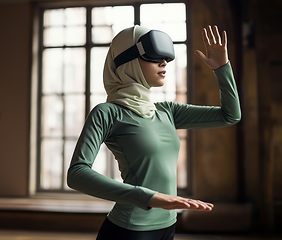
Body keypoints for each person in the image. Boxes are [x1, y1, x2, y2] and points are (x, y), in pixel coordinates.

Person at [67, 25, 241, 240]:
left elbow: (229, 116)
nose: (164, 63)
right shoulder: (107, 113)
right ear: (128, 61)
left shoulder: (167, 111)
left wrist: (222, 68)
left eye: (166, 57)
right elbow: (77, 174)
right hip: (129, 230)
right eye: (153, 56)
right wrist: (149, 197)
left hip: (167, 225)